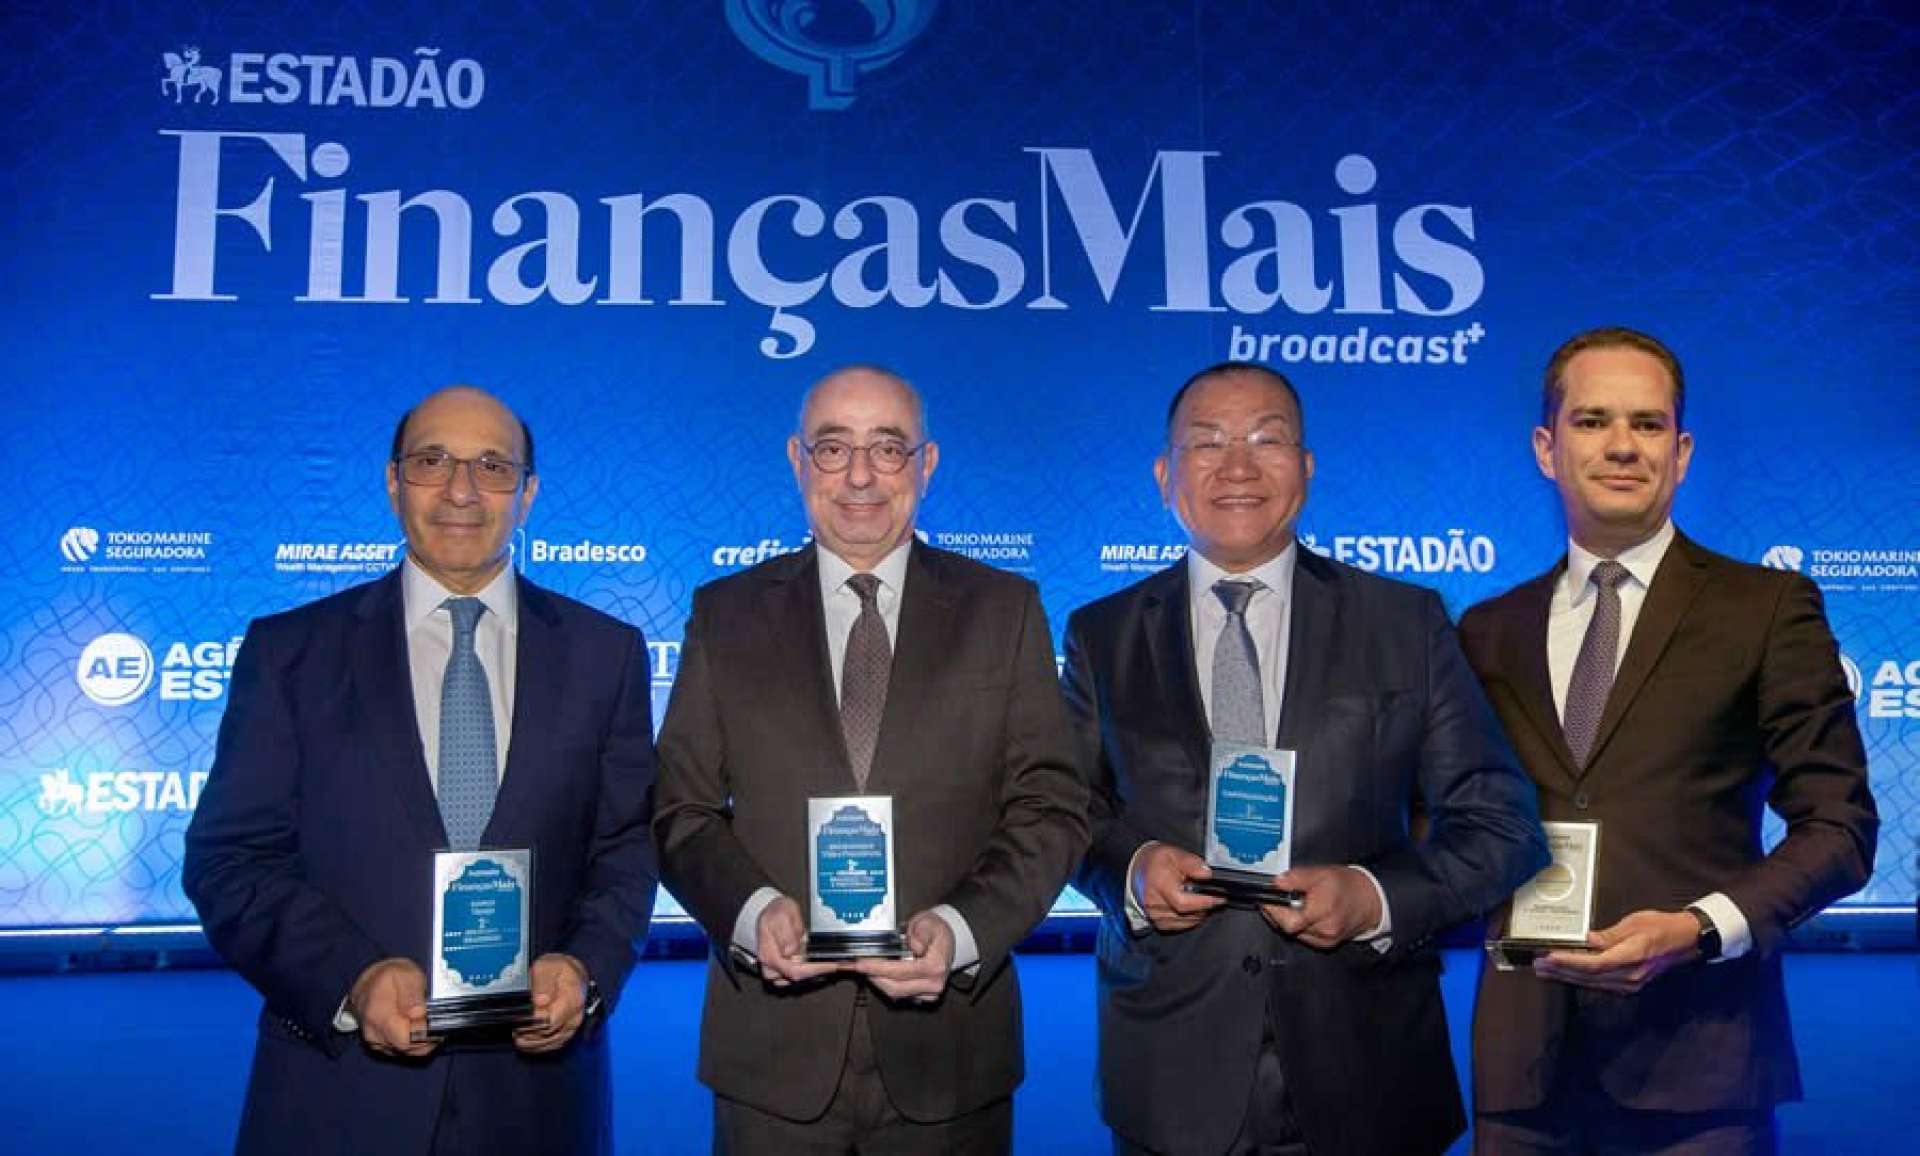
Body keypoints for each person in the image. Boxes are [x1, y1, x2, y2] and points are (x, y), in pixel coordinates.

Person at [1062, 361, 1548, 1155]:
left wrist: (1373, 898)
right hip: (1170, 1071)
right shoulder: (1101, 634)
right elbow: (1065, 811)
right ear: (1164, 475)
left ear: (1308, 466)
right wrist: (1134, 870)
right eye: (1207, 443)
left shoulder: (1405, 621)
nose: (1238, 466)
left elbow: (1503, 826)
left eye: (1267, 439)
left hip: (1370, 1065)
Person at [184, 386, 659, 1155]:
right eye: (433, 461)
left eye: (492, 466)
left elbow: (627, 847)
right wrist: (351, 978)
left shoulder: (605, 655)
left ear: (529, 492)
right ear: (392, 481)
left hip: (538, 1105)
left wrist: (585, 968)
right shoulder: (291, 654)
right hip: (337, 1097)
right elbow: (231, 860)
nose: (461, 490)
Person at [1460, 327, 1878, 1153]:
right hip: (1524, 1071)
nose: (1622, 445)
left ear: (1680, 453)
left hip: (1701, 1064)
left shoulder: (1766, 609)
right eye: (1592, 421)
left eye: (1647, 424)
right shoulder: (1487, 630)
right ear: (1546, 448)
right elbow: (1448, 825)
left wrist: (1697, 928)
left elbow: (1841, 828)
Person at [653, 365, 1088, 1154]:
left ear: (927, 464)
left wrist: (962, 929)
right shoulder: (724, 614)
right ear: (797, 459)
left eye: (888, 448)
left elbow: (1050, 808)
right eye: (833, 448)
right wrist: (751, 913)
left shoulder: (1005, 610)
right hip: (769, 1061)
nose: (859, 476)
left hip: (953, 1057)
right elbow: (680, 811)